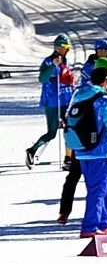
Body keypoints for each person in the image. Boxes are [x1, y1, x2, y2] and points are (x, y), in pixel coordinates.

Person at [66, 57, 107, 237]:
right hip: (102, 150)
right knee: (101, 189)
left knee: (98, 188)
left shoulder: (78, 94)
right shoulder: (105, 99)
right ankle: (91, 226)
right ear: (106, 81)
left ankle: (103, 222)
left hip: (82, 149)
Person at [26, 33, 75, 167]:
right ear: (57, 48)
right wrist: (53, 66)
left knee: (70, 129)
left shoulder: (66, 62)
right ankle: (32, 150)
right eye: (64, 47)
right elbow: (42, 78)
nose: (66, 50)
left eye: (67, 47)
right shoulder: (48, 61)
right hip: (53, 101)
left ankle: (69, 158)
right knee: (52, 133)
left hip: (66, 99)